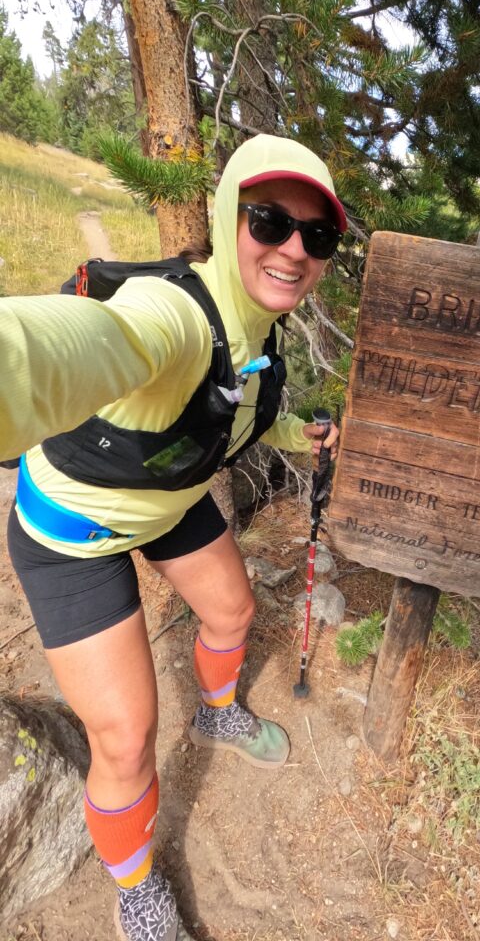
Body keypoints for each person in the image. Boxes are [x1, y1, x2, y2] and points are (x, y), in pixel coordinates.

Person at [0, 134, 344, 941]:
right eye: (269, 221)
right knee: (124, 733)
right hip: (74, 532)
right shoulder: (171, 316)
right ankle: (135, 886)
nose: (293, 249)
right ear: (229, 220)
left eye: (317, 235)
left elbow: (234, 412)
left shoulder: (262, 329)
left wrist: (299, 431)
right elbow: (67, 347)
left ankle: (217, 709)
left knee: (232, 612)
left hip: (169, 496)